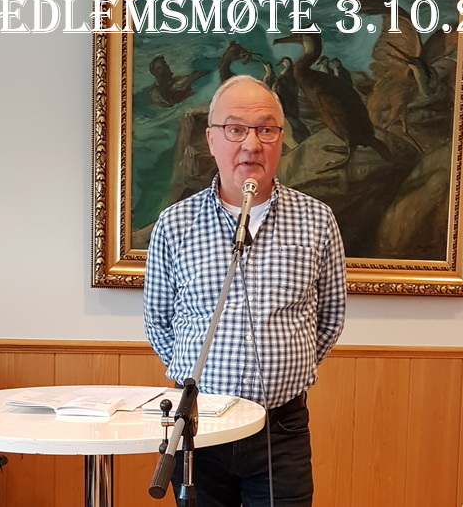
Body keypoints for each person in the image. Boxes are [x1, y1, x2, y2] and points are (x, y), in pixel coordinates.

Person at [143, 74, 347, 507]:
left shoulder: (317, 220)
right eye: (235, 129)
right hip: (199, 426)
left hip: (281, 428)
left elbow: (330, 318)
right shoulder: (175, 224)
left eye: (265, 129)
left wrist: (284, 368)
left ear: (281, 138)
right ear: (211, 139)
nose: (251, 144)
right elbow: (158, 323)